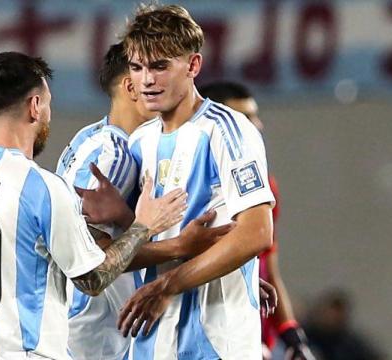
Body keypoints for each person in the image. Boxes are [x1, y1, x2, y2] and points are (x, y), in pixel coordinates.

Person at [0, 51, 188, 360]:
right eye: (49, 103)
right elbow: (92, 278)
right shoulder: (43, 188)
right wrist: (142, 225)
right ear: (35, 106)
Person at [114, 5, 277, 359]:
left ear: (192, 66)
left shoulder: (227, 129)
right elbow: (119, 252)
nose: (147, 80)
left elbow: (257, 233)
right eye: (137, 67)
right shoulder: (139, 143)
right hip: (153, 342)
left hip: (216, 344)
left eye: (160, 66)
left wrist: (171, 283)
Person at [58, 43, 236, 360]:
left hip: (78, 326)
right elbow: (91, 259)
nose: (155, 82)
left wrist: (223, 268)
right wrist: (182, 247)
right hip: (97, 335)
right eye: (144, 71)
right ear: (130, 85)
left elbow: (123, 233)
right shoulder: (117, 155)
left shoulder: (88, 137)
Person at [199, 81, 315, 360]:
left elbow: (268, 265)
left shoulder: (263, 186)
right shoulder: (191, 183)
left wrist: (291, 334)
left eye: (255, 116)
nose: (258, 125)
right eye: (245, 117)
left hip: (252, 337)